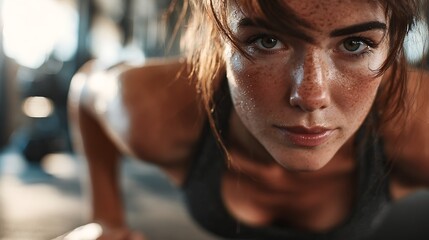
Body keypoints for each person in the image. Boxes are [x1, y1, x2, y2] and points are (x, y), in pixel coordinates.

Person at [68, 0, 429, 239]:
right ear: (219, 39)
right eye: (267, 41)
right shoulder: (154, 112)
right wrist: (106, 218)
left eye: (354, 44)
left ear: (392, 44)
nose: (310, 96)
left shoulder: (419, 132)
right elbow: (87, 89)